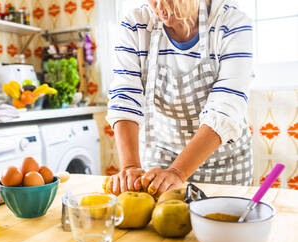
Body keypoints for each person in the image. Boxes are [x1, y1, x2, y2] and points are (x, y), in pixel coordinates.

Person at [106, 0, 254, 197]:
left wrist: (178, 172)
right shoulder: (136, 25)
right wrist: (130, 166)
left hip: (224, 166)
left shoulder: (231, 23)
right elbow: (124, 96)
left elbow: (225, 108)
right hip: (160, 162)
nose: (159, 6)